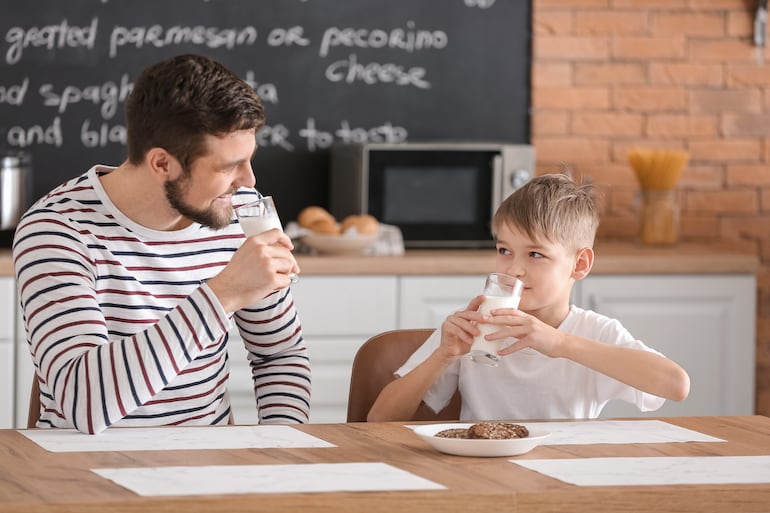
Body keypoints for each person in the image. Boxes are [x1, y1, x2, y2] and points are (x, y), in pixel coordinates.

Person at [13, 54, 309, 434]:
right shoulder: (57, 230)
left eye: (249, 160)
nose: (247, 180)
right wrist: (223, 294)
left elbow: (279, 355)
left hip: (207, 468)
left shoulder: (240, 216)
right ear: (162, 164)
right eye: (227, 166)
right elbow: (85, 406)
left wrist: (278, 447)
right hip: (83, 469)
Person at [368, 173, 690, 422]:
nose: (515, 269)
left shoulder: (593, 332)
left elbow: (676, 385)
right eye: (504, 251)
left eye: (535, 254)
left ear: (579, 264)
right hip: (482, 478)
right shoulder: (475, 327)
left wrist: (559, 344)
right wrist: (442, 356)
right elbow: (378, 419)